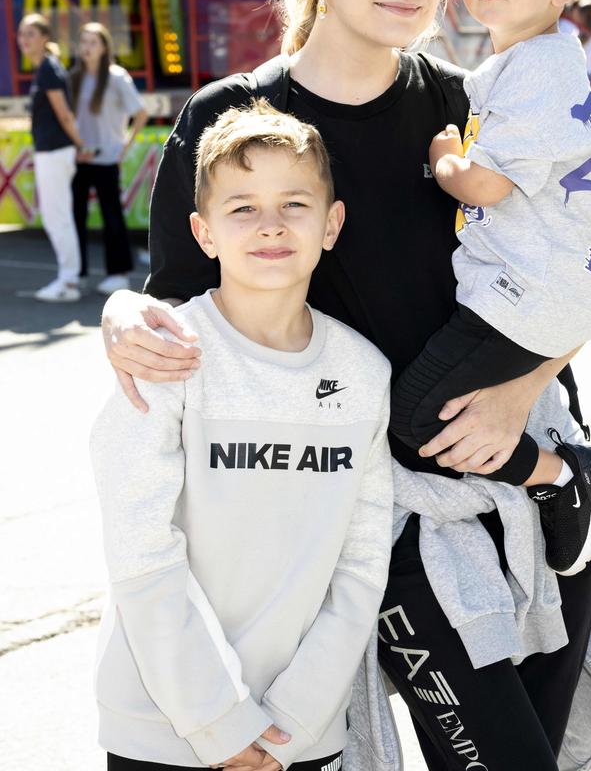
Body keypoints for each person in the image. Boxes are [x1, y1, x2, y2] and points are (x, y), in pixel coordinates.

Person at [101, 0, 591, 770]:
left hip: (535, 476)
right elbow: (178, 302)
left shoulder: (469, 107)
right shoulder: (241, 118)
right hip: (387, 518)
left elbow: (587, 257)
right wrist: (116, 319)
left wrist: (521, 399)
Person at [90, 99, 393, 770]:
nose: (270, 226)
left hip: (298, 734)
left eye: (294, 204)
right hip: (161, 727)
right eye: (242, 207)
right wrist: (220, 722)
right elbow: (142, 556)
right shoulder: (163, 358)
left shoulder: (363, 373)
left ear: (331, 223)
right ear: (203, 232)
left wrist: (289, 722)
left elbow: (362, 564)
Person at [390, 0, 591, 577]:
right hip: (560, 281)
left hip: (530, 294)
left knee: (417, 418)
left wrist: (443, 160)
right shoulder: (535, 62)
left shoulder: (536, 70)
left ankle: (566, 476)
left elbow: (486, 184)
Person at [70, 22, 148, 295]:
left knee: (111, 215)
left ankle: (118, 274)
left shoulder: (116, 77)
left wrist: (124, 146)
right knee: (75, 216)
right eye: (84, 42)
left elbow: (140, 112)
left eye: (93, 42)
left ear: (104, 47)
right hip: (79, 159)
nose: (87, 47)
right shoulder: (75, 77)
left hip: (106, 158)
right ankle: (75, 273)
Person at [18, 13, 89, 302]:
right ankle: (69, 278)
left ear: (45, 37)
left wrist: (80, 145)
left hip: (56, 152)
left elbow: (64, 114)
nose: (24, 40)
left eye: (30, 34)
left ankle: (69, 282)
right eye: (22, 35)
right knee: (57, 216)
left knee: (57, 217)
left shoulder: (48, 69)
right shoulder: (46, 68)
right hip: (53, 151)